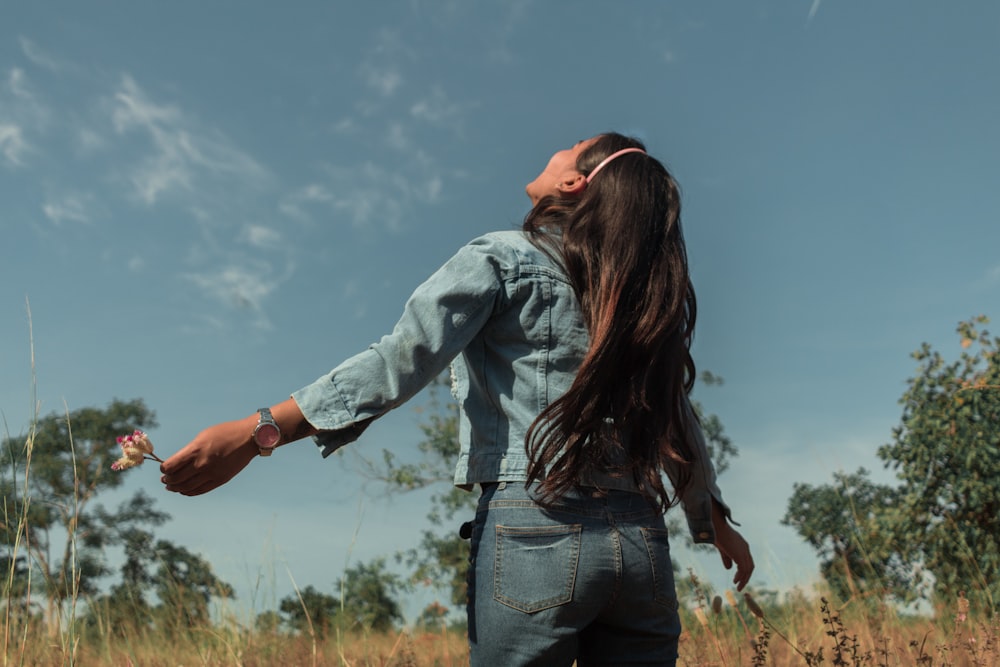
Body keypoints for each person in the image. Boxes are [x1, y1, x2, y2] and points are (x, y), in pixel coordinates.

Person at [160, 132, 754, 666]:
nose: (559, 143)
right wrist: (713, 521)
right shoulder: (646, 301)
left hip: (537, 526)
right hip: (639, 542)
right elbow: (680, 421)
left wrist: (260, 429)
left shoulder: (506, 257)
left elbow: (401, 360)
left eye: (573, 144)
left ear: (573, 183)